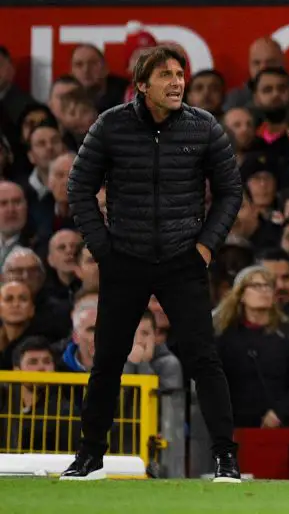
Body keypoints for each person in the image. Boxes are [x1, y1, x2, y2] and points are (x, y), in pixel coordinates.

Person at [64, 45, 243, 482]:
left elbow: (230, 191)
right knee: (107, 358)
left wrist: (205, 247)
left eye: (180, 73)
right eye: (165, 75)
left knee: (204, 359)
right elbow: (78, 187)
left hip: (183, 259)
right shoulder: (110, 125)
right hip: (125, 258)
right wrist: (103, 248)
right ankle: (90, 457)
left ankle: (226, 459)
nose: (177, 82)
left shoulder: (204, 128)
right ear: (141, 85)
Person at [213, 265, 289, 429]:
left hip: (279, 427)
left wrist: (280, 412)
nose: (264, 290)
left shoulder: (288, 334)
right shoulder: (225, 336)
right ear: (241, 295)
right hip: (237, 428)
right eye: (256, 286)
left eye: (268, 286)